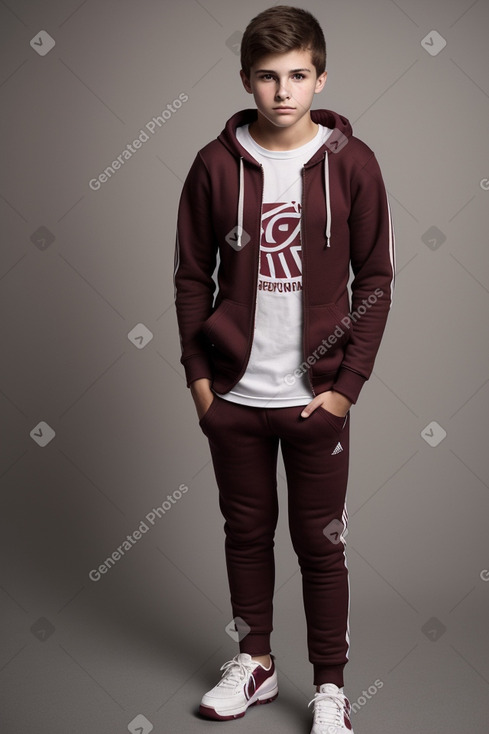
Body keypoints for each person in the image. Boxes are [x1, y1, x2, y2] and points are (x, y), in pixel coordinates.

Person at [174, 5, 395, 732]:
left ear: (319, 77)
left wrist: (345, 390)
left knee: (319, 545)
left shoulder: (352, 164)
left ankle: (330, 686)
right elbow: (188, 279)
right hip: (234, 396)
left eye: (297, 75)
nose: (281, 91)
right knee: (244, 536)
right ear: (245, 80)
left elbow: (376, 281)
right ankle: (256, 662)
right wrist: (201, 385)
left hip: (315, 400)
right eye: (267, 77)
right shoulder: (213, 165)